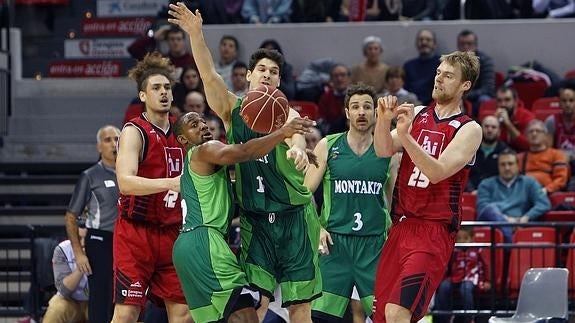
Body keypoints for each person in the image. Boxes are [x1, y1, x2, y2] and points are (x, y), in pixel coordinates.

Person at [168, 5, 321, 322]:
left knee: (300, 307)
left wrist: (296, 149)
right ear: (249, 76)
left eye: (274, 72)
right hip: (256, 220)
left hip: (293, 216)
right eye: (262, 69)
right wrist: (196, 34)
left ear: (279, 82)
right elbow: (209, 75)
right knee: (255, 304)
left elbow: (294, 136)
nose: (267, 74)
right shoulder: (232, 109)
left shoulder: (285, 114)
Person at [172, 111, 315, 323]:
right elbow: (245, 151)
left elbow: (247, 168)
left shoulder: (200, 164)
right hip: (205, 242)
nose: (203, 126)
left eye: (203, 122)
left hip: (188, 247)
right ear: (183, 139)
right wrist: (283, 133)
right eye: (194, 125)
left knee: (223, 317)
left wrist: (283, 156)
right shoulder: (203, 150)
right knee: (245, 316)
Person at [372, 51, 483, 323]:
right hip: (400, 226)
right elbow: (383, 150)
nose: (439, 79)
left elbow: (437, 172)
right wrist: (383, 120)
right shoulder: (420, 113)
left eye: (448, 75)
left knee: (397, 312)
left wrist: (407, 137)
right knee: (382, 316)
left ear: (464, 85)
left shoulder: (469, 129)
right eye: (438, 73)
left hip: (433, 230)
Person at [112, 52, 191, 323]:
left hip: (171, 232)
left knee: (183, 313)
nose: (164, 92)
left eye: (167, 87)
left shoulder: (182, 135)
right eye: (156, 88)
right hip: (136, 233)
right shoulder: (135, 131)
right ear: (143, 96)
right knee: (127, 313)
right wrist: (170, 183)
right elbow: (125, 182)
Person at [305, 83, 392, 322]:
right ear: (346, 113)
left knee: (386, 316)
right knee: (321, 317)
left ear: (376, 112)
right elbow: (304, 193)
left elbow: (397, 202)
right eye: (355, 107)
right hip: (335, 245)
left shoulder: (388, 152)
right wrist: (317, 227)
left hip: (374, 247)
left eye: (367, 107)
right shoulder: (327, 145)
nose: (361, 112)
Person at [64, 125, 120, 323]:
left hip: (128, 241)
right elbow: (71, 216)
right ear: (99, 147)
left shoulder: (131, 173)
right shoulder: (90, 176)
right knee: (101, 299)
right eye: (108, 140)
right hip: (101, 240)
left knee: (125, 299)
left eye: (117, 139)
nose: (114, 144)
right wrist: (79, 253)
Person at [476, 149, 551, 242]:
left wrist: (526, 217)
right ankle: (509, 238)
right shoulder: (486, 184)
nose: (507, 168)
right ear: (498, 166)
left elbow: (543, 203)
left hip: (521, 225)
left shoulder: (529, 182)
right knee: (490, 209)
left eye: (510, 164)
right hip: (495, 227)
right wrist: (506, 220)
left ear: (517, 165)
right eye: (503, 164)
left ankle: (509, 242)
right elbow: (482, 208)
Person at [433, 227, 491, 323]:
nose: (461, 241)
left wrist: (487, 281)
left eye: (465, 238)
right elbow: (447, 266)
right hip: (455, 277)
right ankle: (444, 318)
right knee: (444, 286)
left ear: (472, 238)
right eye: (459, 238)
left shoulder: (478, 250)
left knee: (465, 288)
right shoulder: (454, 250)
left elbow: (486, 266)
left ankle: (470, 319)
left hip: (472, 278)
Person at [42, 228, 89, 323]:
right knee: (57, 308)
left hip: (95, 302)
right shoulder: (62, 250)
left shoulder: (103, 249)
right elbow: (64, 291)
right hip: (70, 301)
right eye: (79, 238)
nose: (83, 243)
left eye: (87, 239)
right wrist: (81, 265)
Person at [518, 119, 569, 194]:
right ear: (526, 137)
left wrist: (546, 190)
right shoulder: (519, 157)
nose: (534, 134)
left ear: (545, 136)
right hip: (524, 193)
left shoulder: (557, 155)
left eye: (538, 131)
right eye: (531, 131)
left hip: (549, 193)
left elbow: (561, 179)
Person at [128, 25, 195, 80]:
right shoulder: (160, 60)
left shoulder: (192, 61)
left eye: (178, 39)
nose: (175, 42)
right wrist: (153, 37)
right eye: (172, 39)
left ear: (183, 41)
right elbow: (133, 49)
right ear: (167, 41)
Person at [465, 115, 509, 193]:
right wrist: (471, 190)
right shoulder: (470, 149)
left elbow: (506, 177)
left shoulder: (505, 152)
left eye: (493, 127)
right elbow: (464, 173)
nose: (489, 130)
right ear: (480, 128)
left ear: (499, 131)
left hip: (495, 195)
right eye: (486, 126)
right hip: (470, 192)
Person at [456, 30, 495, 117]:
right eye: (462, 44)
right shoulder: (453, 62)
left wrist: (465, 95)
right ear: (458, 46)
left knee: (484, 99)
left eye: (469, 44)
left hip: (478, 97)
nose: (466, 47)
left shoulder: (485, 61)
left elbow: (488, 88)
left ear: (475, 45)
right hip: (460, 96)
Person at [545, 80, 575, 189]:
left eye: (571, 100)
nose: (568, 104)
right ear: (559, 103)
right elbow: (547, 150)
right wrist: (560, 156)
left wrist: (570, 156)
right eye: (564, 101)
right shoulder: (552, 121)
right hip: (559, 163)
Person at [403, 29, 441, 106]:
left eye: (428, 40)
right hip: (411, 105)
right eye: (421, 40)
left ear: (434, 44)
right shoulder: (408, 66)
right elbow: (404, 90)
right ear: (416, 44)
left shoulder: (442, 64)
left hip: (435, 106)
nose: (424, 42)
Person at [494, 86, 535, 152]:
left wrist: (508, 124)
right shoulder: (495, 117)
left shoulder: (527, 116)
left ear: (515, 101)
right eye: (499, 100)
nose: (503, 104)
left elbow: (528, 146)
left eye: (507, 100)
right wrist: (495, 124)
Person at [318, 63, 351, 135]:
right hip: (332, 133)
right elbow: (321, 122)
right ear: (331, 79)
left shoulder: (356, 96)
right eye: (336, 76)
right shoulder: (325, 97)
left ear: (349, 78)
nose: (339, 79)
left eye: (343, 75)